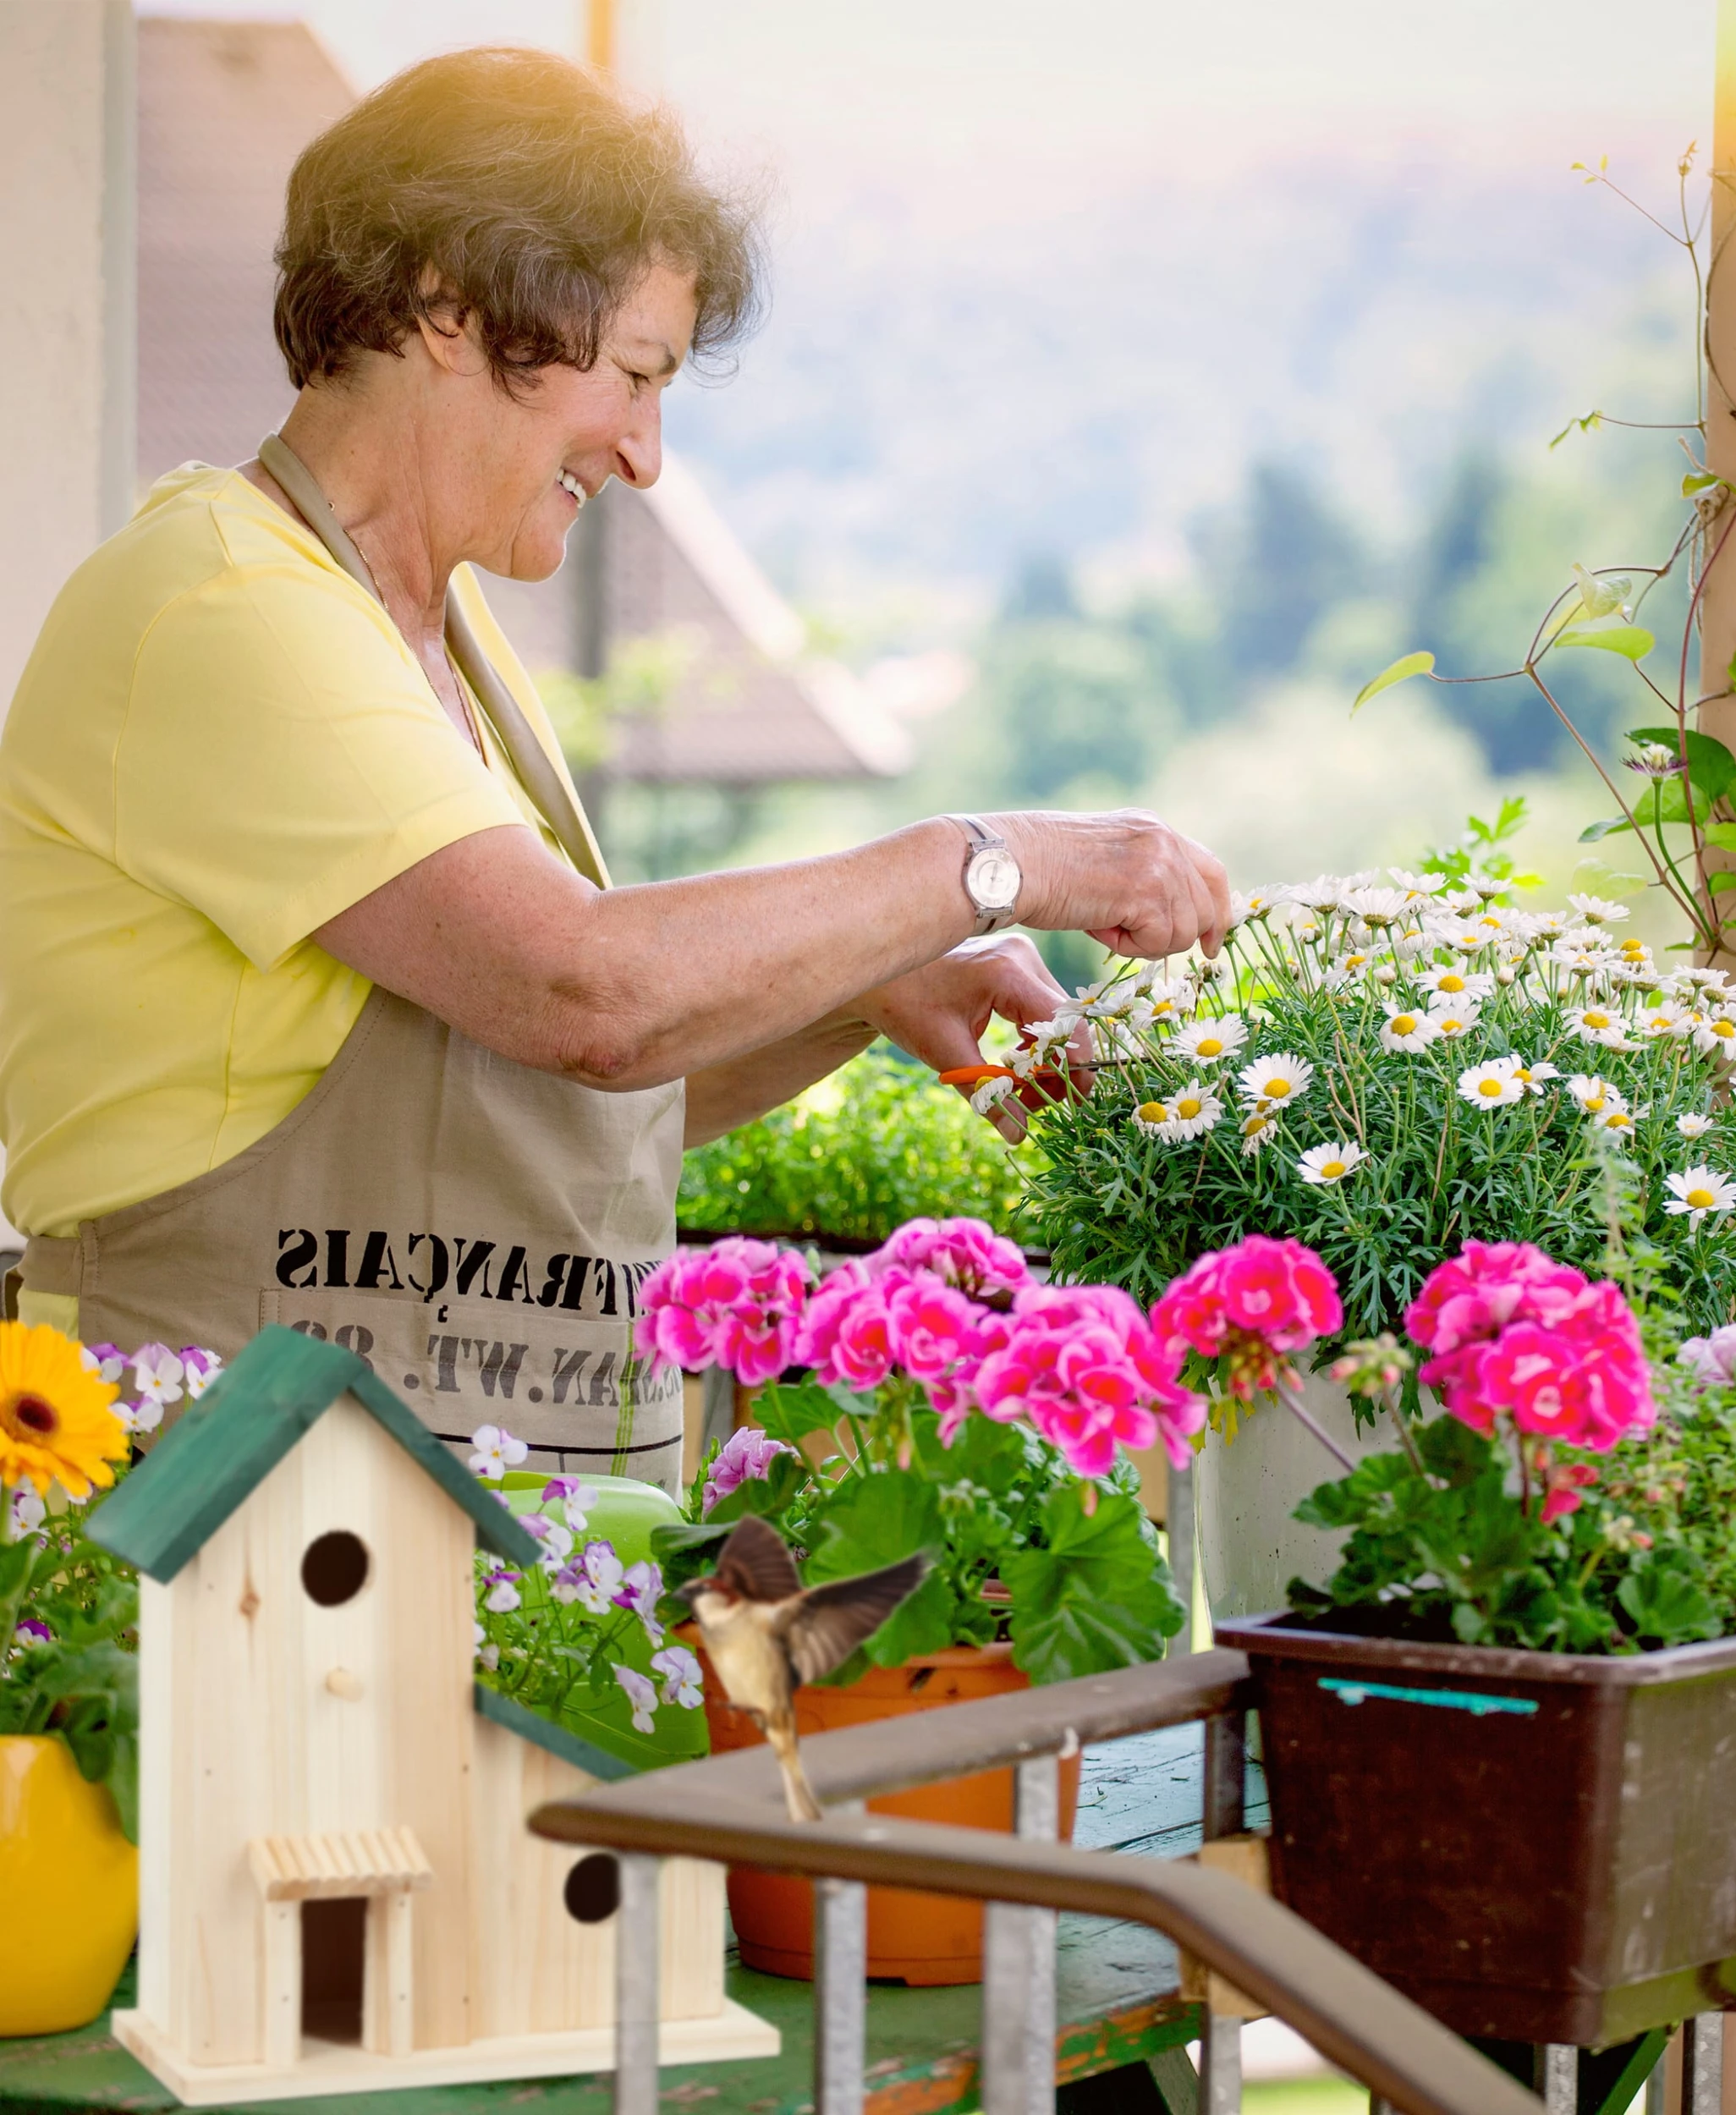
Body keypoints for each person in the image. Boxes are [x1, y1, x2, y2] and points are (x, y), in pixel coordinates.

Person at [0, 47, 1228, 1493]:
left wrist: (873, 984)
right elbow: (583, 995)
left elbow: (556, 1112)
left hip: (459, 1540)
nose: (646, 455)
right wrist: (995, 865)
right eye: (637, 376)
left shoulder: (437, 641)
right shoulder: (226, 604)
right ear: (451, 307)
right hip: (230, 1541)